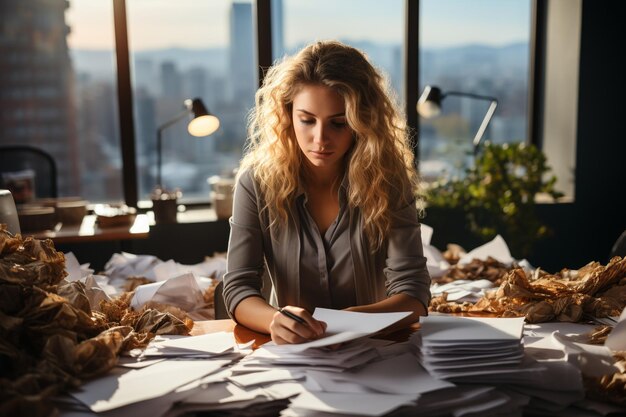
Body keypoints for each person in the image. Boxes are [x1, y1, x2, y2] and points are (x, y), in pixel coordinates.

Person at [222, 40, 431, 345]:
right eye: (307, 120)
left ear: (362, 122)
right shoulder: (255, 183)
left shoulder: (389, 181)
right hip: (292, 354)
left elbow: (413, 294)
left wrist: (346, 323)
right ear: (287, 115)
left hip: (376, 351)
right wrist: (275, 321)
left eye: (338, 123)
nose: (320, 139)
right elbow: (238, 288)